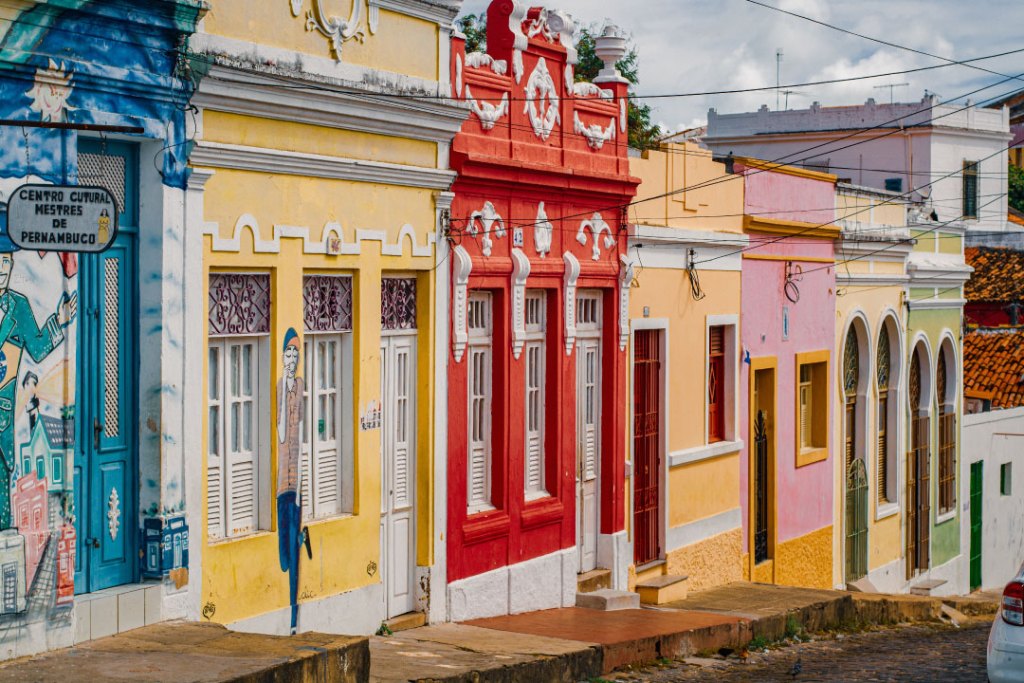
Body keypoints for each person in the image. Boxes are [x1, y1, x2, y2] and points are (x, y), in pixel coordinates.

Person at [0, 242, 75, 529]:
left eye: (7, 263)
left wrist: (60, 320)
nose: (2, 270)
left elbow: (39, 347)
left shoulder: (17, 306)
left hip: (4, 421)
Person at [277, 328, 304, 634]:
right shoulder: (282, 387)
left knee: (294, 556)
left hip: (296, 487)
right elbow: (282, 432)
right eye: (289, 353)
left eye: (296, 353)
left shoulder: (300, 385)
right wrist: (284, 389)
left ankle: (294, 617)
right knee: (284, 556)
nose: (293, 358)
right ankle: (290, 613)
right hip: (280, 487)